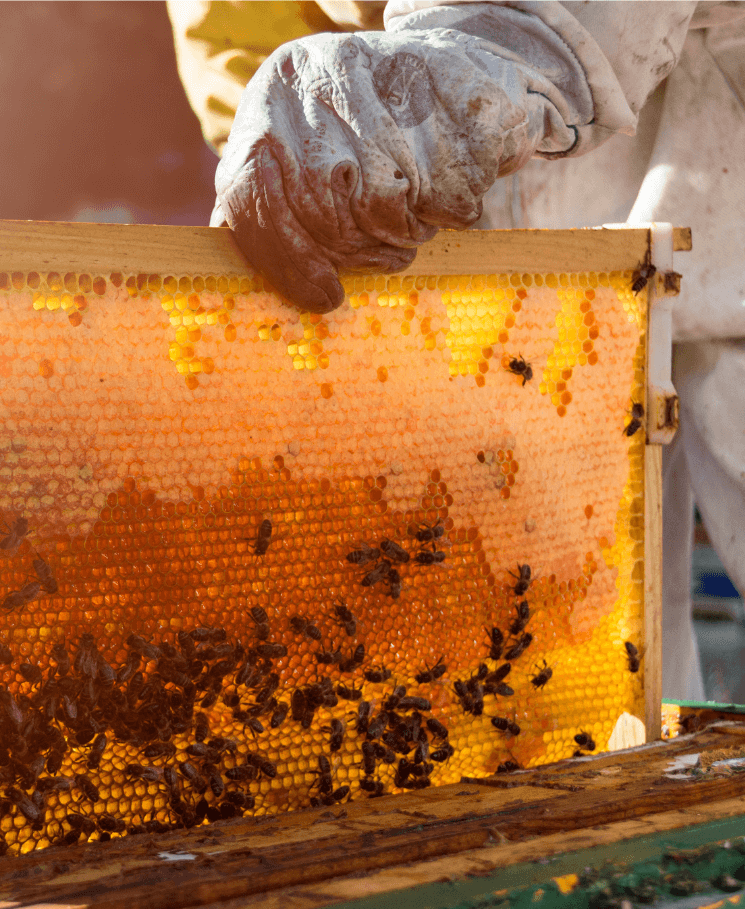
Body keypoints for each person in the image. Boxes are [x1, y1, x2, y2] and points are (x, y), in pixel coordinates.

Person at [169, 0, 745, 701]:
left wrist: (480, 44)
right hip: (482, 238)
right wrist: (306, 157)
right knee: (587, 669)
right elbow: (234, 27)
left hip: (708, 121)